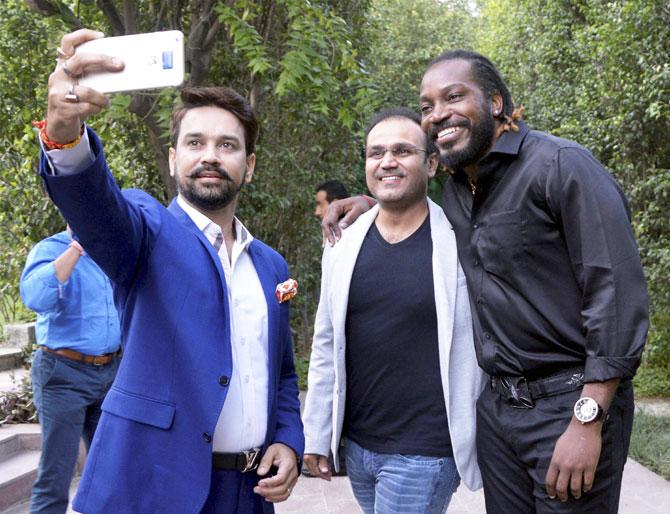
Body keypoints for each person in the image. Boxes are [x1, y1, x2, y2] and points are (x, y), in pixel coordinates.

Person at [322, 50, 648, 514]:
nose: (438, 114)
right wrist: (371, 201)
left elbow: (615, 295)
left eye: (454, 97)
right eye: (427, 106)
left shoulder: (560, 166)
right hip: (498, 414)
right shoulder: (459, 186)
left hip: (569, 404)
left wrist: (588, 416)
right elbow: (412, 198)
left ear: (495, 102)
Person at [35, 28, 303, 514]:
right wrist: (65, 136)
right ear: (175, 156)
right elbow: (97, 210)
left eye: (228, 145)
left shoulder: (270, 265)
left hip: (249, 493)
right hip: (153, 489)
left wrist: (288, 438)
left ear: (250, 165)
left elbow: (281, 373)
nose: (211, 156)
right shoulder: (147, 231)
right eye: (196, 142)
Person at [303, 107, 482, 514]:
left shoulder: (461, 242)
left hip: (425, 450)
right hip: (360, 448)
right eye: (376, 152)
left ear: (431, 162)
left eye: (403, 151)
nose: (387, 161)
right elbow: (326, 341)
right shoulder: (342, 242)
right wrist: (316, 433)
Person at [20, 227, 120, 514]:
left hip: (111, 371)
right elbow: (36, 298)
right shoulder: (50, 249)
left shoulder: (111, 251)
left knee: (110, 468)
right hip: (62, 374)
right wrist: (77, 248)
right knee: (56, 474)